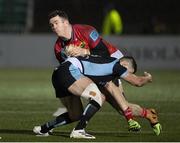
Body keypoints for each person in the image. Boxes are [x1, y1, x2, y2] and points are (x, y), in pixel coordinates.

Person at [47, 10, 161, 135]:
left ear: (66, 22)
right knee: (110, 103)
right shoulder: (58, 47)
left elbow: (104, 54)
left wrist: (85, 52)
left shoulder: (86, 31)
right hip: (92, 69)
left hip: (110, 62)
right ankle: (148, 113)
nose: (53, 27)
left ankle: (149, 114)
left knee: (120, 105)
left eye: (56, 23)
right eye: (51, 25)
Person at [33, 55, 160, 139]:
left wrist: (129, 117)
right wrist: (147, 79)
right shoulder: (116, 65)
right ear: (125, 64)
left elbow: (118, 97)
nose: (125, 75)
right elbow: (137, 82)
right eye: (128, 72)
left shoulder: (105, 69)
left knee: (75, 114)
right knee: (99, 97)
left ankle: (43, 129)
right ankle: (79, 130)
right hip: (69, 71)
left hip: (58, 74)